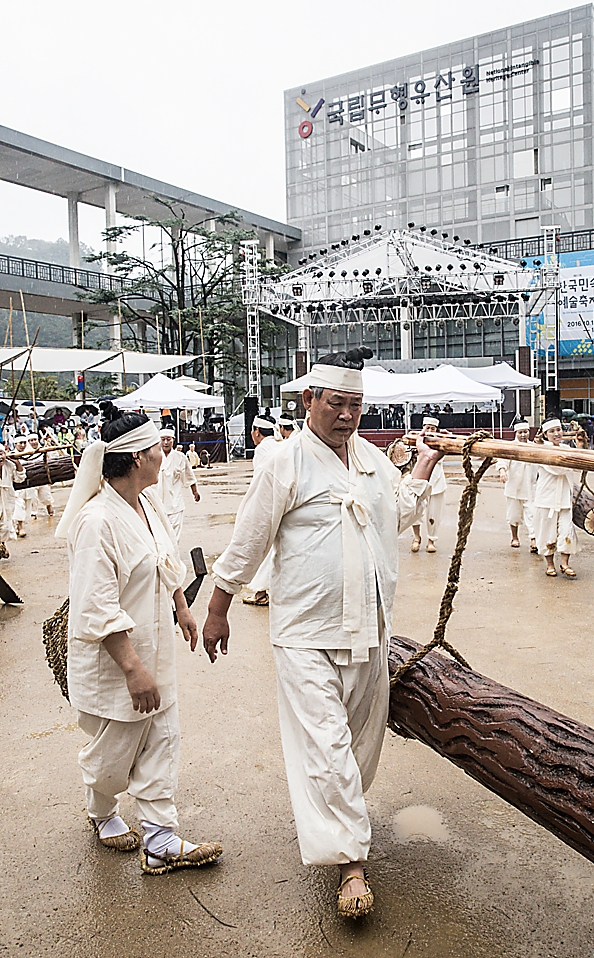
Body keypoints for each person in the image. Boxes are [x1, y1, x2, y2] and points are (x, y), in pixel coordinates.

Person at [203, 347, 444, 919]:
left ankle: (342, 823)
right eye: (337, 403)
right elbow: (249, 538)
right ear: (310, 400)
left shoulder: (370, 458)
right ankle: (351, 865)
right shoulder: (283, 461)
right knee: (327, 744)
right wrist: (218, 607)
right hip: (306, 631)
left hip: (370, 628)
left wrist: (426, 464)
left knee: (360, 741)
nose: (347, 416)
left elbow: (400, 511)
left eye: (357, 405)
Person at [55, 402, 221, 875]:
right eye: (155, 448)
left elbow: (165, 559)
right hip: (115, 663)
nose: (163, 453)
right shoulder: (97, 522)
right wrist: (132, 669)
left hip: (155, 649)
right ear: (133, 459)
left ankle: (160, 839)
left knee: (163, 738)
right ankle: (101, 810)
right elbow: (95, 605)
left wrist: (183, 607)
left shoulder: (145, 504)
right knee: (115, 749)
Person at [533, 418, 582, 578]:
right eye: (552, 431)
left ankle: (565, 564)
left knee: (567, 530)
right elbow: (557, 467)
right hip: (546, 497)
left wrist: (580, 447)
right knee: (547, 532)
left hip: (564, 498)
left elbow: (577, 463)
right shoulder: (540, 450)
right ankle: (549, 565)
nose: (556, 434)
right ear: (545, 434)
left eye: (559, 429)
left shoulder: (567, 448)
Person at [242, 415, 279, 607]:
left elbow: (261, 482)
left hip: (270, 506)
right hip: (281, 505)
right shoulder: (278, 446)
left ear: (256, 432)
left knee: (265, 549)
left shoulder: (263, 449)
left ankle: (261, 591)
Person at [495, 421, 537, 552]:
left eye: (525, 432)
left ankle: (533, 540)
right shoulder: (510, 447)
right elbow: (502, 460)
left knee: (533, 514)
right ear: (516, 433)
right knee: (513, 515)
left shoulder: (535, 447)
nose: (523, 435)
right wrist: (502, 471)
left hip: (531, 488)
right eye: (520, 432)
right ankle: (514, 537)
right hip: (513, 487)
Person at [411, 416, 447, 554]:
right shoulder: (416, 442)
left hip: (436, 482)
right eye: (427, 428)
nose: (430, 431)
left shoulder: (441, 442)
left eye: (433, 428)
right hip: (419, 480)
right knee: (415, 512)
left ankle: (431, 540)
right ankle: (416, 538)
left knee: (434, 513)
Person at [157, 429, 200, 541]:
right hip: (157, 502)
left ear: (173, 440)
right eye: (163, 440)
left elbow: (189, 475)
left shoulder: (180, 457)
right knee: (159, 535)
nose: (166, 442)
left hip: (175, 502)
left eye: (168, 439)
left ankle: (173, 557)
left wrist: (195, 492)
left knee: (174, 537)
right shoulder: (154, 456)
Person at [0, 443, 25, 556]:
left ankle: (2, 544)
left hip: (6, 499)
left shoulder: (9, 465)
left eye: (1, 454)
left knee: (5, 525)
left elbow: (20, 478)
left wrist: (17, 463)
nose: (0, 458)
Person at [26, 434, 55, 518]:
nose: (34, 442)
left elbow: (50, 463)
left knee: (46, 496)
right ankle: (33, 513)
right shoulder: (25, 453)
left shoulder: (43, 450)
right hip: (32, 479)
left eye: (35, 439)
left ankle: (50, 510)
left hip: (43, 478)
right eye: (31, 440)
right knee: (33, 498)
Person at [12, 436, 29, 538]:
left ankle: (20, 526)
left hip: (24, 484)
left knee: (24, 505)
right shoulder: (10, 456)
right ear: (15, 444)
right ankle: (18, 527)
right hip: (11, 487)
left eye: (24, 443)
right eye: (20, 443)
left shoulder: (31, 453)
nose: (22, 446)